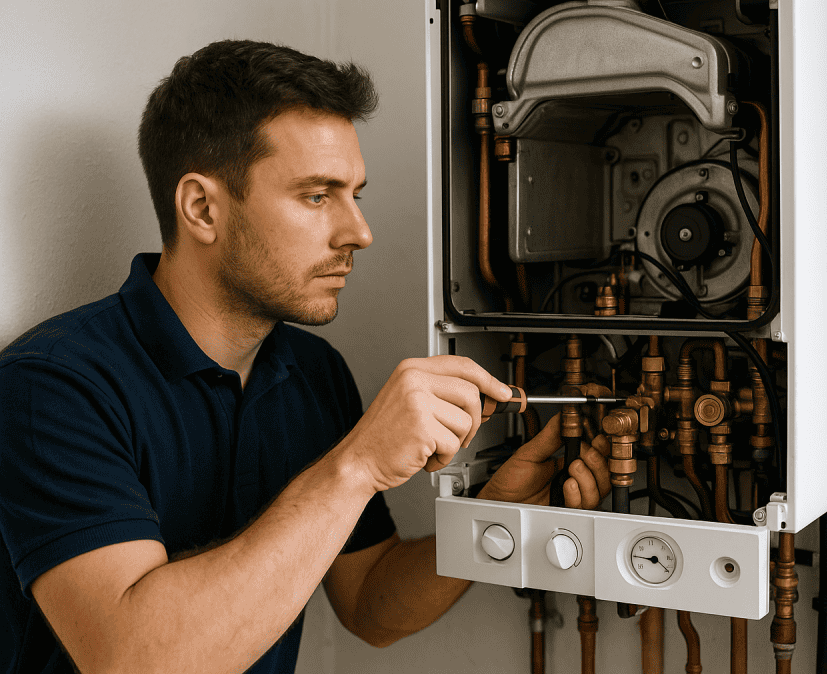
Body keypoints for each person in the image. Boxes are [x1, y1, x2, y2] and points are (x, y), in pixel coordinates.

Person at [0, 39, 611, 674]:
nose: (359, 232)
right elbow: (135, 658)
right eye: (317, 196)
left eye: (356, 194)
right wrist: (358, 464)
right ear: (202, 208)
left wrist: (502, 513)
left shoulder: (311, 373)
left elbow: (370, 602)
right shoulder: (52, 387)